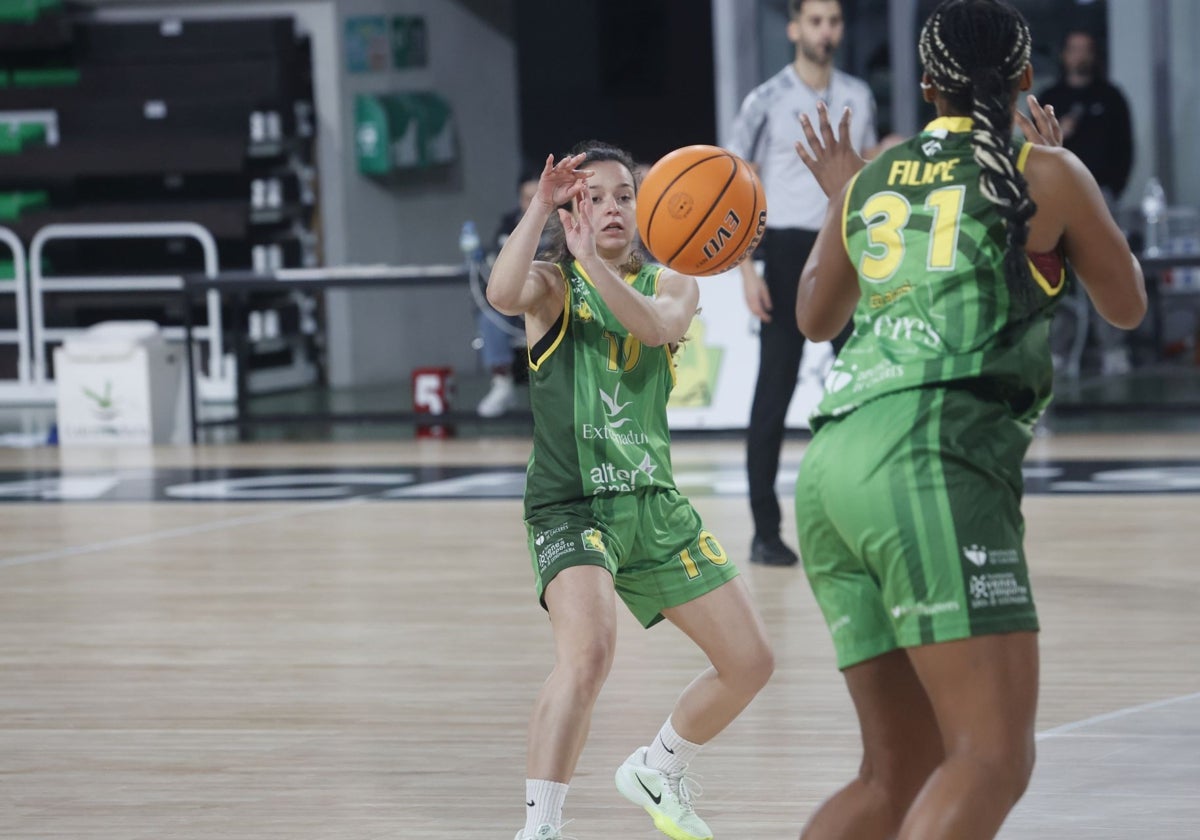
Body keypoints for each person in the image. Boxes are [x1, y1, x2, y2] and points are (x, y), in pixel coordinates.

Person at [789, 1, 1145, 838]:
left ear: (925, 87)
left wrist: (845, 196)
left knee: (895, 774)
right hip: (931, 459)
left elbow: (813, 315)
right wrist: (1061, 173)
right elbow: (1126, 305)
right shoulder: (1045, 171)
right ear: (1025, 79)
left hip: (833, 468)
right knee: (992, 758)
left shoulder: (875, 175)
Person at [487, 141, 774, 840]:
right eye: (595, 195)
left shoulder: (675, 284)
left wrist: (592, 261)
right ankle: (542, 828)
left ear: (648, 211)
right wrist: (537, 210)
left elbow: (655, 329)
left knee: (750, 662)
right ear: (572, 207)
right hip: (573, 504)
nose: (612, 207)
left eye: (626, 195)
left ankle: (659, 767)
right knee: (587, 655)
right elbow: (500, 293)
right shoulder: (552, 286)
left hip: (652, 502)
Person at [727, 0, 897, 567]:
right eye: (817, 20)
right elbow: (732, 183)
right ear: (795, 28)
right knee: (772, 393)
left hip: (844, 241)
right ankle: (764, 530)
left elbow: (863, 176)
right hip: (784, 247)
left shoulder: (859, 94)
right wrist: (745, 269)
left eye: (836, 21)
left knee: (864, 387)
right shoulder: (766, 100)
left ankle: (868, 517)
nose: (828, 31)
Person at [1038, 27, 1137, 376]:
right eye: (1074, 49)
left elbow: (1126, 149)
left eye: (1086, 49)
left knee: (1106, 270)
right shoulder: (1051, 97)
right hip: (1058, 199)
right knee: (1057, 274)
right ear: (1064, 55)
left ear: (1094, 55)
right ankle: (1060, 351)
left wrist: (1113, 188)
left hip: (1102, 197)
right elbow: (1034, 150)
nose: (1080, 56)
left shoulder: (1110, 97)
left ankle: (1113, 350)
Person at [476, 174, 540, 417]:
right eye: (527, 198)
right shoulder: (509, 223)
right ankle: (502, 384)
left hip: (553, 296)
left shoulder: (563, 219)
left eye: (538, 197)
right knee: (491, 314)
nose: (533, 202)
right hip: (520, 295)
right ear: (520, 200)